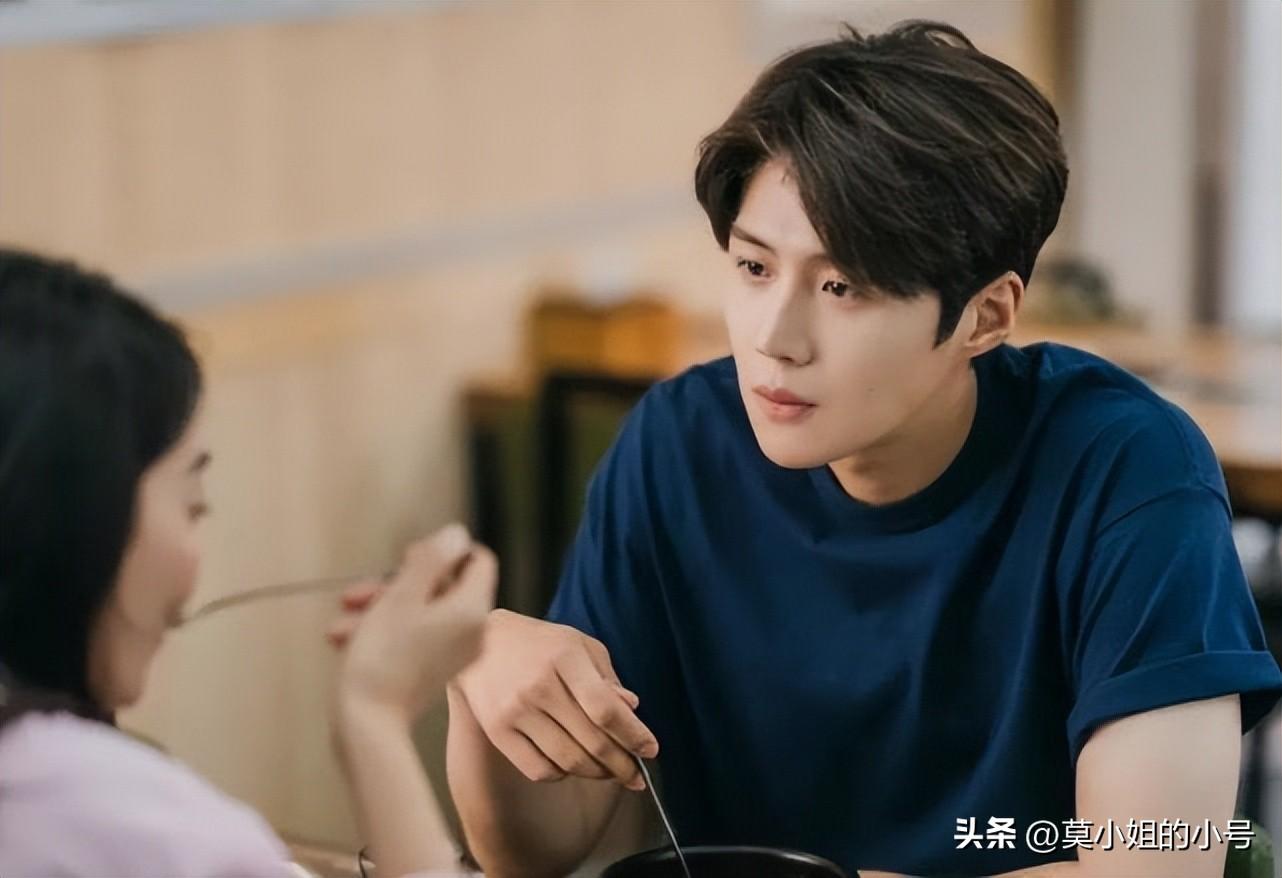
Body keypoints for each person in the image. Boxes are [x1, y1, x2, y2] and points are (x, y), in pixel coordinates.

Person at [445, 20, 1282, 878]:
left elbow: (1156, 864)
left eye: (842, 286)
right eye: (755, 268)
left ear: (985, 316)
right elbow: (535, 852)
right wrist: (480, 671)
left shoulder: (1127, 470)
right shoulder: (677, 445)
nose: (775, 339)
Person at [0, 247, 492, 877]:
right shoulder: (136, 829)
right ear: (82, 515)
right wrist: (374, 715)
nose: (197, 550)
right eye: (193, 503)